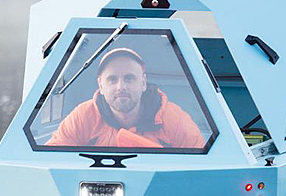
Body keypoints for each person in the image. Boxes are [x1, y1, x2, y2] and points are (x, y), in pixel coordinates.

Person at [47, 47, 205, 149]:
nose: (120, 87)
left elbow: (201, 170)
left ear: (143, 83)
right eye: (112, 79)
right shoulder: (83, 117)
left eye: (129, 78)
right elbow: (52, 158)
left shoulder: (175, 120)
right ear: (101, 86)